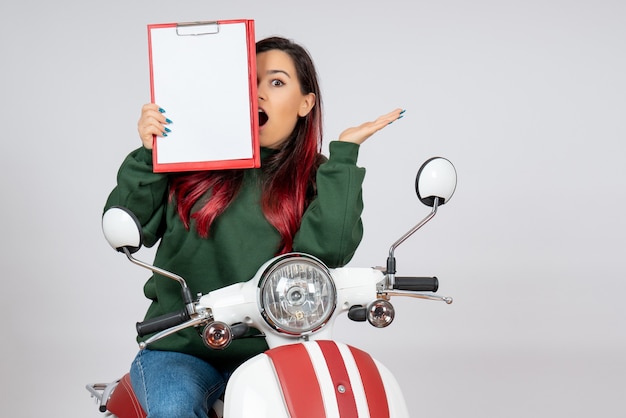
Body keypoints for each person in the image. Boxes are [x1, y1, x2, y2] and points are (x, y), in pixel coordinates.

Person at [104, 36, 404, 417]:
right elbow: (130, 222)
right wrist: (150, 153)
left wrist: (345, 155)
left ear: (305, 103)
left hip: (275, 349)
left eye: (276, 83)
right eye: (249, 83)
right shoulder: (187, 165)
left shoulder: (314, 177)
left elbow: (324, 255)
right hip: (181, 350)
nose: (258, 94)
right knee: (175, 408)